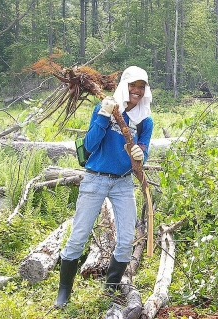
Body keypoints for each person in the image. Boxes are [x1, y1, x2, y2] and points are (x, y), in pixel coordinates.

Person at [54, 66, 154, 307]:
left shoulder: (145, 121)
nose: (137, 91)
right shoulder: (106, 107)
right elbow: (90, 143)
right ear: (124, 86)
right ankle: (64, 291)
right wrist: (103, 117)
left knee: (127, 237)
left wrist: (140, 154)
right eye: (133, 85)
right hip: (95, 178)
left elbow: (144, 150)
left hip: (123, 182)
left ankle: (110, 287)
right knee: (79, 235)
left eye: (142, 87)